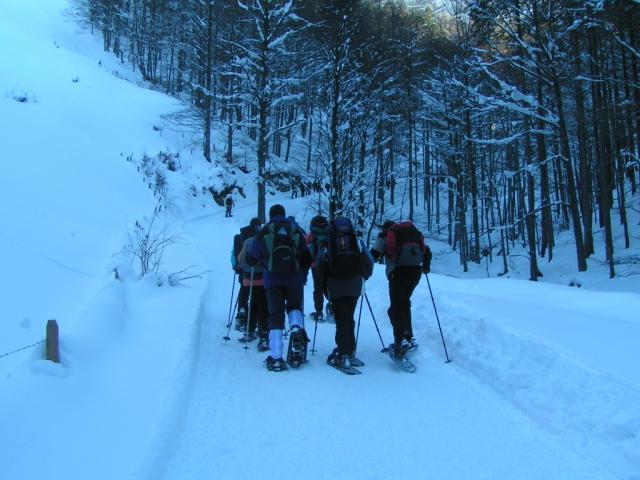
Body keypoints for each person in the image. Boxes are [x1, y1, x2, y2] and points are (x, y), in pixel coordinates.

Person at [247, 204, 312, 371]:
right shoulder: (295, 229)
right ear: (284, 214)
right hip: (294, 279)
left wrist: (261, 260)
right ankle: (296, 329)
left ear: (270, 215)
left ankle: (276, 357)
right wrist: (302, 277)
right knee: (294, 307)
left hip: (272, 280)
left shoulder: (265, 230)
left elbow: (251, 258)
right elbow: (306, 257)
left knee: (275, 315)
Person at [316, 216, 373, 370]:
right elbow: (370, 262)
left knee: (342, 321)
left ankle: (343, 354)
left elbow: (320, 268)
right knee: (349, 318)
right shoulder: (356, 241)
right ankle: (350, 350)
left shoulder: (326, 243)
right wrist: (362, 278)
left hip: (335, 286)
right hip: (354, 285)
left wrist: (322, 291)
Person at [370, 220, 432, 358]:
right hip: (415, 272)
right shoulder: (411, 233)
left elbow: (373, 254)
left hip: (397, 273)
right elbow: (426, 251)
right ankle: (407, 337)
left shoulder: (385, 235)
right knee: (404, 303)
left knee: (395, 308)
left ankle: (400, 341)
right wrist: (426, 267)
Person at [237, 222, 269, 351]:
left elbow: (241, 259)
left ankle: (250, 330)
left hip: (250, 278)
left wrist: (245, 269)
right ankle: (264, 332)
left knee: (253, 304)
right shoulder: (265, 239)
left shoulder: (248, 241)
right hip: (264, 278)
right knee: (263, 304)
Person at [231, 218, 262, 331]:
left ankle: (242, 311)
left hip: (243, 270)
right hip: (259, 273)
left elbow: (233, 254)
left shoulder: (241, 235)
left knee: (244, 290)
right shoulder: (261, 235)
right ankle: (258, 317)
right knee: (258, 294)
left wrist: (236, 266)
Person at [306, 215, 329, 321]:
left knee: (318, 288)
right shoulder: (329, 234)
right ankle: (333, 308)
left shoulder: (311, 235)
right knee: (328, 286)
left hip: (316, 266)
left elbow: (306, 249)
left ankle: (319, 312)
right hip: (328, 264)